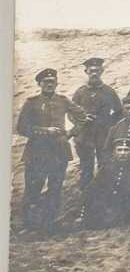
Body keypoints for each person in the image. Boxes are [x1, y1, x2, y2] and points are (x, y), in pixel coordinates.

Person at [16, 68, 89, 230]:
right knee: (33, 187)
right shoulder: (31, 102)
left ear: (56, 83)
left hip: (59, 151)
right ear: (39, 84)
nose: (49, 84)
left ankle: (50, 222)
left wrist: (70, 133)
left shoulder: (63, 100)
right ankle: (28, 224)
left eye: (52, 82)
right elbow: (21, 128)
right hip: (37, 152)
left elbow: (82, 117)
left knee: (55, 187)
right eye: (46, 82)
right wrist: (44, 130)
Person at [72, 57, 122, 191]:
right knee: (86, 166)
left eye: (97, 70)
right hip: (85, 135)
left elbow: (119, 111)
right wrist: (82, 119)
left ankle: (104, 192)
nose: (94, 73)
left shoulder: (109, 91)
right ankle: (85, 194)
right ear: (86, 72)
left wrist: (109, 124)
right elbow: (71, 113)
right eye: (91, 71)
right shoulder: (80, 92)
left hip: (103, 134)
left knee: (104, 163)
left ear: (102, 71)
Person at [81, 138, 130, 229]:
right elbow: (92, 188)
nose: (122, 153)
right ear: (114, 152)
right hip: (109, 205)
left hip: (128, 206)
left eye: (126, 150)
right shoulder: (106, 168)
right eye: (119, 150)